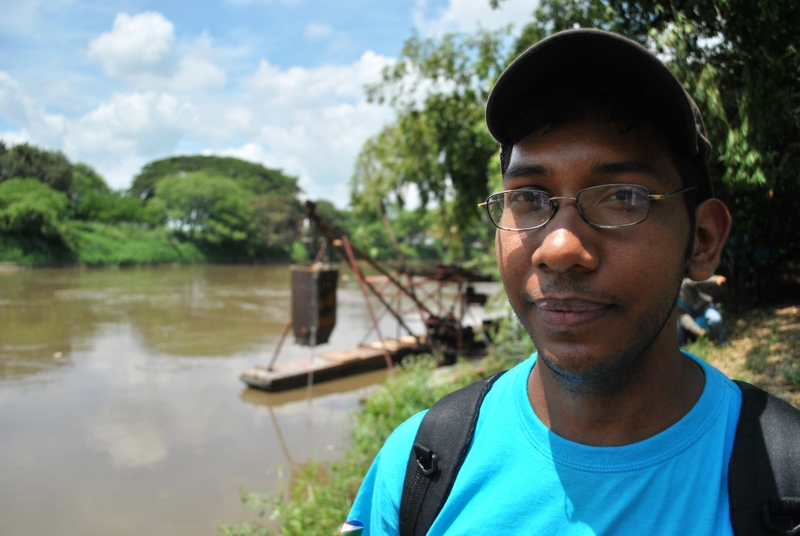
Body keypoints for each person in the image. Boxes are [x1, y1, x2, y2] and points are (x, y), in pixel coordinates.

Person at [343, 29, 797, 535]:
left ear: (702, 241)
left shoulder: (784, 479)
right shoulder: (419, 465)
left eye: (623, 197)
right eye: (529, 198)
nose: (559, 250)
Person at [678, 275, 730, 346]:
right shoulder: (671, 303)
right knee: (678, 329)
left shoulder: (684, 284)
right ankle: (684, 347)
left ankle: (723, 342)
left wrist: (715, 279)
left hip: (705, 307)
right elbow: (683, 317)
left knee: (715, 319)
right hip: (693, 317)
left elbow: (698, 281)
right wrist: (697, 330)